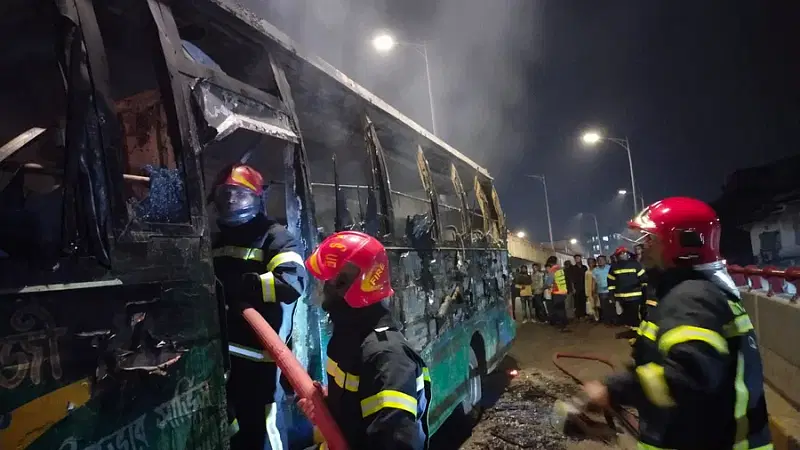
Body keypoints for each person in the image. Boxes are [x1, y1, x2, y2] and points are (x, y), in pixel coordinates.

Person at [582, 197, 771, 449]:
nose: (643, 247)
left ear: (680, 243)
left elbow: (685, 378)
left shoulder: (691, 298)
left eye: (651, 239)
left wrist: (613, 390)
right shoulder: (693, 290)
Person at [298, 231, 432, 450]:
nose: (321, 290)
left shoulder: (388, 358)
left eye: (326, 282)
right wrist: (329, 405)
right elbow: (360, 412)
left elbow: (395, 443)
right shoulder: (349, 337)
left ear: (346, 285)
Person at [211, 164, 307, 450]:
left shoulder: (276, 237)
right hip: (225, 359)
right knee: (233, 430)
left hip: (261, 361)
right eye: (225, 194)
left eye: (239, 195)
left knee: (265, 429)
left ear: (257, 199)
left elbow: (291, 283)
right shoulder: (216, 242)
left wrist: (243, 286)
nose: (231, 201)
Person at [607, 246, 647, 333]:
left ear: (627, 254)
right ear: (617, 256)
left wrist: (645, 291)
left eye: (624, 253)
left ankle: (636, 331)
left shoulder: (635, 264)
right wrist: (611, 294)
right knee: (627, 315)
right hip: (621, 297)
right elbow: (611, 282)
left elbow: (643, 279)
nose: (622, 255)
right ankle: (632, 330)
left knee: (635, 314)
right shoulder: (614, 267)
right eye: (620, 254)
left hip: (635, 295)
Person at [544, 256, 569, 331]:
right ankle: (564, 324)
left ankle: (562, 326)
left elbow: (548, 283)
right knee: (562, 309)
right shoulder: (561, 269)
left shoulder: (552, 271)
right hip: (563, 291)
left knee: (558, 310)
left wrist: (544, 287)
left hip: (557, 292)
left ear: (550, 263)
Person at [592, 256, 614, 326]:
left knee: (612, 306)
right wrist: (593, 290)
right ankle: (607, 321)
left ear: (605, 260)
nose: (600, 261)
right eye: (599, 260)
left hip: (610, 290)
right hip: (601, 292)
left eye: (602, 260)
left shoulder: (610, 268)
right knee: (604, 307)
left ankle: (613, 320)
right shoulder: (595, 270)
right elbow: (594, 281)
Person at [566, 254, 588, 320]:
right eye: (576, 258)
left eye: (578, 258)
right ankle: (579, 315)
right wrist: (573, 288)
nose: (577, 259)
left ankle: (584, 314)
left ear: (581, 258)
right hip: (577, 287)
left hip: (584, 287)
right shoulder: (572, 268)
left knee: (584, 301)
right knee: (577, 302)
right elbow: (571, 279)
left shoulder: (584, 267)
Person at [584, 257, 599, 321]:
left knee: (598, 304)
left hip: (597, 290)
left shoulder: (597, 270)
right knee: (592, 305)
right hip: (589, 291)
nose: (590, 264)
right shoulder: (587, 272)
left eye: (592, 262)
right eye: (589, 262)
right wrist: (586, 292)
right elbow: (586, 282)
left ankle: (599, 317)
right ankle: (595, 317)